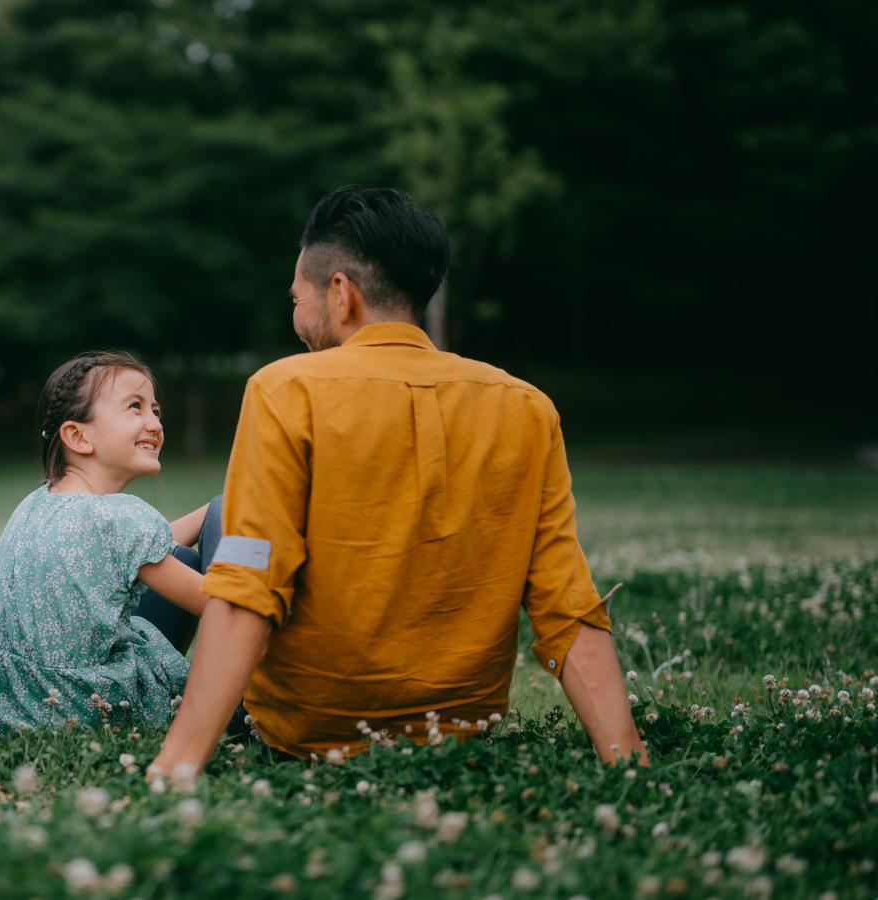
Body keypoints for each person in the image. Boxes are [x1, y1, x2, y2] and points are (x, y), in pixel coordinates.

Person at [149, 186, 647, 778]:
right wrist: (630, 766)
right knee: (221, 512)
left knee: (218, 522)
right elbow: (567, 607)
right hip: (458, 739)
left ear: (341, 295)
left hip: (307, 735)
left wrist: (176, 765)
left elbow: (249, 586)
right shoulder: (527, 408)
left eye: (296, 299)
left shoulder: (286, 390)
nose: (296, 319)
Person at [0, 351, 215, 728]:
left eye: (155, 411)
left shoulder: (37, 502)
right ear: (78, 436)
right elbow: (219, 605)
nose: (155, 423)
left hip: (12, 704)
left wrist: (209, 510)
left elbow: (121, 550)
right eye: (135, 407)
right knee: (188, 563)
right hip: (88, 708)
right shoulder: (120, 517)